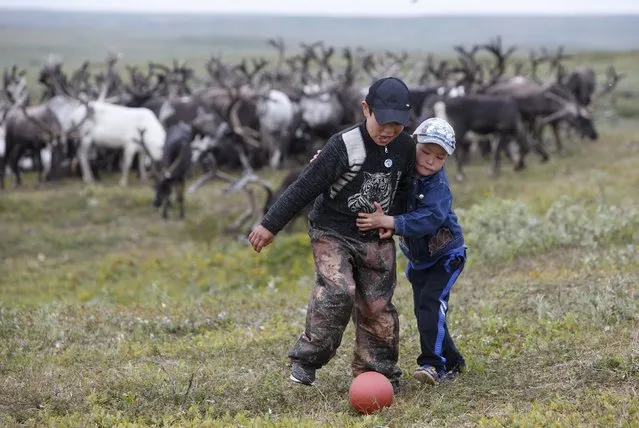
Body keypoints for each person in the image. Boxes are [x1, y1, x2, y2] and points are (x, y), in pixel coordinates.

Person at [248, 77, 417, 392]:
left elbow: (406, 189)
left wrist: (396, 222)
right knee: (338, 291)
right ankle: (307, 359)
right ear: (366, 109)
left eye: (397, 125)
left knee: (377, 304)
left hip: (375, 235)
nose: (389, 131)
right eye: (383, 122)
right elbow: (305, 185)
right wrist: (269, 225)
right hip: (332, 231)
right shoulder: (344, 144)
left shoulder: (406, 146)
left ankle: (377, 371)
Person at [355, 117, 467, 385]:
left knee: (430, 304)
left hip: (446, 256)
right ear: (414, 144)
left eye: (439, 157)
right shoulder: (402, 170)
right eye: (426, 151)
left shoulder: (438, 187)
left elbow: (429, 217)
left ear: (446, 160)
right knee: (425, 310)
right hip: (419, 259)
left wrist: (392, 223)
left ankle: (432, 365)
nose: (430, 160)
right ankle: (453, 361)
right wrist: (389, 221)